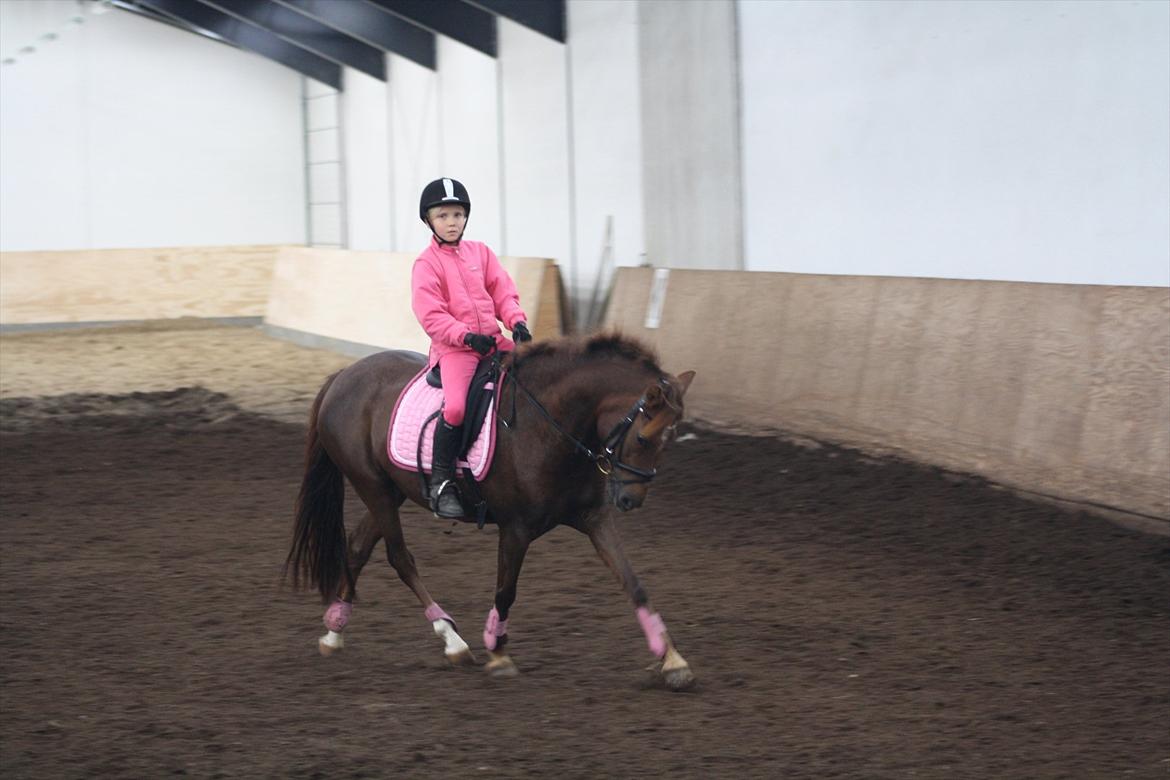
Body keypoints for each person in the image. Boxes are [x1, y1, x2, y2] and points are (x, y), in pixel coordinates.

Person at [411, 177, 533, 518]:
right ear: (429, 221)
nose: (452, 222)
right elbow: (431, 314)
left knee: (535, 378)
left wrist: (517, 321)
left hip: (493, 342)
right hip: (455, 351)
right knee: (456, 409)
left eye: (457, 215)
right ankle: (441, 482)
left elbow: (502, 292)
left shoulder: (481, 253)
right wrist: (465, 337)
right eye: (443, 216)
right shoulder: (426, 264)